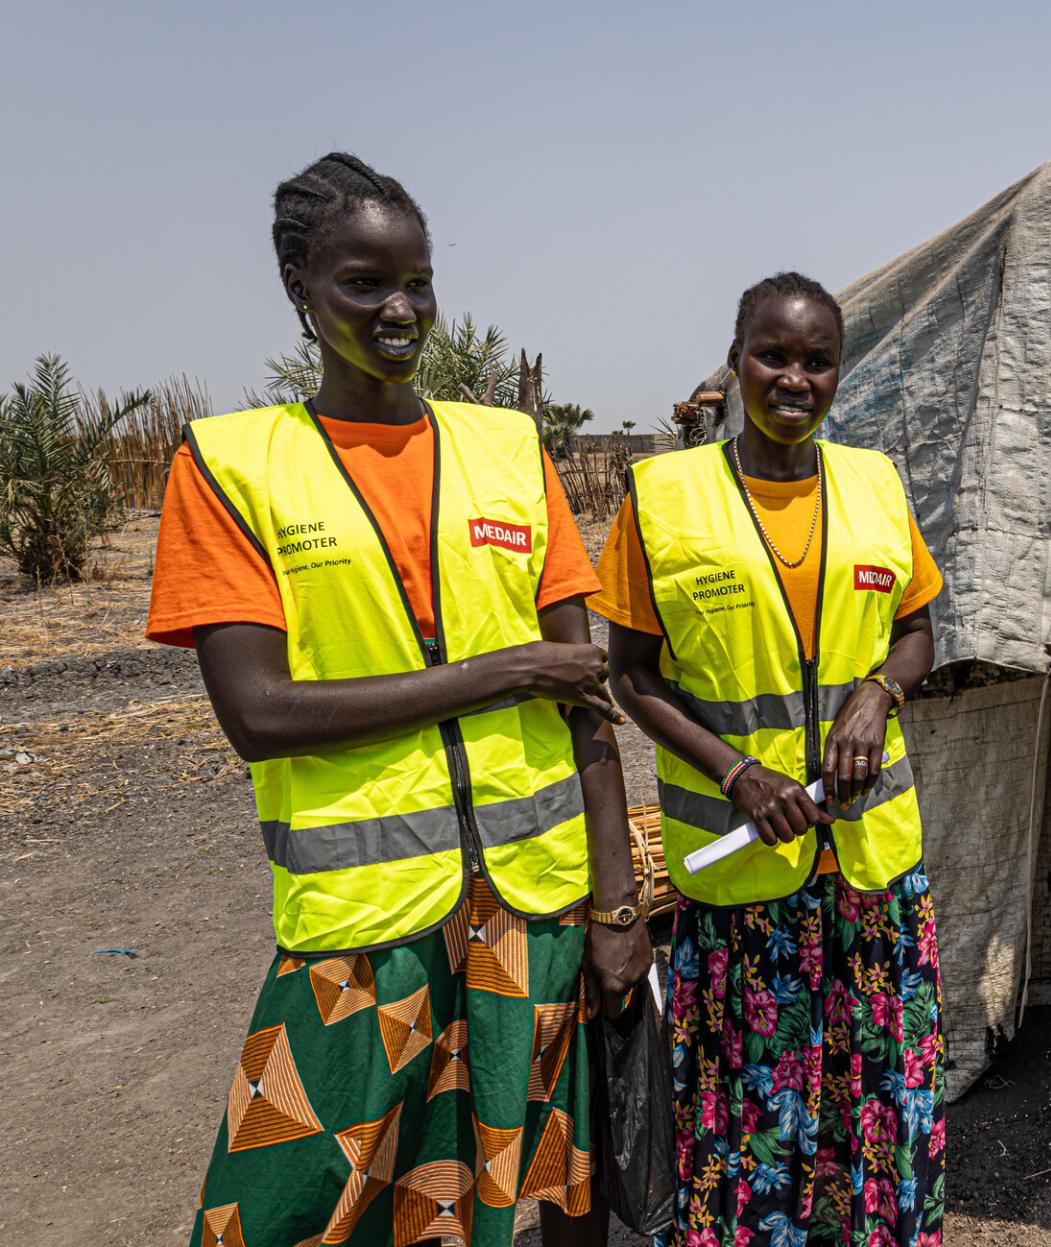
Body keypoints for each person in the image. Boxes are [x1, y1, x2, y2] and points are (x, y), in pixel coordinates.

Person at [148, 152, 649, 1247]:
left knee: (550, 1198)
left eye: (418, 281)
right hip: (362, 938)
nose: (401, 308)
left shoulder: (507, 448)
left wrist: (615, 904)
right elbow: (259, 712)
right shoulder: (233, 466)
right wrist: (499, 670)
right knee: (283, 1215)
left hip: (535, 911)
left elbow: (588, 704)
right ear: (298, 286)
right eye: (364, 283)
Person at [593, 272, 946, 1247]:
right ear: (736, 359)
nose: (795, 377)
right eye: (773, 355)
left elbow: (917, 629)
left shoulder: (875, 484)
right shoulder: (662, 496)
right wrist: (737, 773)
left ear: (841, 369)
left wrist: (882, 690)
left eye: (818, 359)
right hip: (745, 884)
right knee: (750, 1130)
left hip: (873, 873)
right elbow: (633, 676)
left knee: (877, 1111)